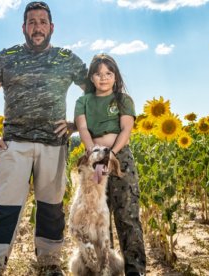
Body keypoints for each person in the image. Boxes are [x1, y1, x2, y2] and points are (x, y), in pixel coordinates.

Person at [0, 2, 87, 275]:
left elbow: (93, 93)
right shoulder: (7, 57)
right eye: (31, 22)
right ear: (23, 27)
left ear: (51, 27)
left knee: (51, 208)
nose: (37, 27)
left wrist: (75, 124)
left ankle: (49, 263)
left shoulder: (67, 59)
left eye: (42, 22)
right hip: (14, 144)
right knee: (5, 207)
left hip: (54, 145)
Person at [74, 53, 146, 276]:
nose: (103, 78)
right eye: (98, 73)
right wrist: (94, 154)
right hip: (94, 163)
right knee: (98, 220)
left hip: (119, 158)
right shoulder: (83, 101)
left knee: (127, 216)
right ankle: (105, 270)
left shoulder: (123, 100)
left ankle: (135, 271)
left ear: (115, 76)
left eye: (108, 73)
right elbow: (83, 129)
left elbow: (126, 129)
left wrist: (110, 155)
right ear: (91, 78)